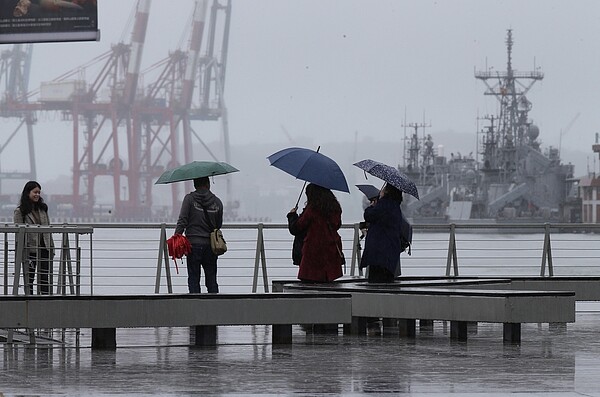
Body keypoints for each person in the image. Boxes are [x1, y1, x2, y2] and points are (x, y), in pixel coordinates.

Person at [175, 176, 223, 293]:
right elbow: (218, 225)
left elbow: (183, 220)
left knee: (194, 278)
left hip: (193, 245)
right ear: (208, 184)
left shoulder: (189, 199)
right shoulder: (217, 202)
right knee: (211, 279)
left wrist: (176, 237)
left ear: (195, 185)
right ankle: (214, 305)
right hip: (210, 246)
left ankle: (195, 304)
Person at [286, 183, 343, 283]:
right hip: (331, 249)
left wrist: (292, 216)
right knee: (329, 283)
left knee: (310, 283)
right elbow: (337, 225)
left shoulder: (312, 209)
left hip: (313, 250)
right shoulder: (335, 208)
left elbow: (297, 228)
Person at [13, 180, 55, 295]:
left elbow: (48, 229)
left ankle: (45, 299)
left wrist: (51, 247)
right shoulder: (20, 211)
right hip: (29, 250)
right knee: (29, 278)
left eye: (39, 192)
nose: (37, 195)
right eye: (35, 192)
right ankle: (29, 298)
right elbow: (18, 234)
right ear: (28, 193)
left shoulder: (43, 209)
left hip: (44, 248)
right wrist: (20, 251)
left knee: (44, 277)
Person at [359, 183, 404, 283]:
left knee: (376, 280)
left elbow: (369, 216)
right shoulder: (395, 205)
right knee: (387, 280)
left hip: (379, 251)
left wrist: (371, 206)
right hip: (390, 249)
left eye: (383, 189)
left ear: (387, 191)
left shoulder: (384, 204)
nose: (381, 190)